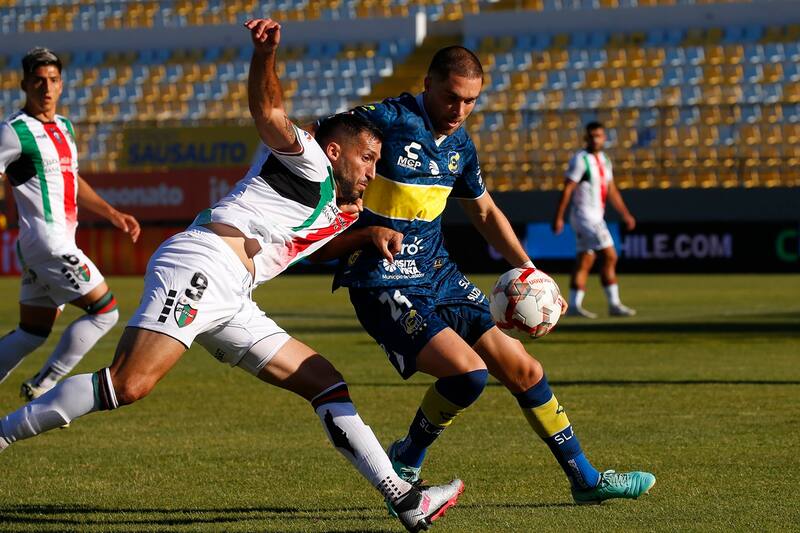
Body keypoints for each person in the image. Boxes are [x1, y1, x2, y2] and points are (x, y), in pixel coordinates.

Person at [0, 20, 463, 532]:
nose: (373, 170)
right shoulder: (309, 159)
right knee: (128, 384)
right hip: (204, 264)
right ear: (335, 151)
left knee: (325, 381)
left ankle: (405, 499)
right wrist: (264, 54)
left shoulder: (339, 208)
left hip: (234, 294)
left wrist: (366, 237)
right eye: (367, 158)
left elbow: (296, 250)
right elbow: (268, 111)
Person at [313, 47, 655, 507]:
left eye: (471, 101)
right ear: (428, 83)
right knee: (469, 375)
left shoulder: (461, 145)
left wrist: (529, 269)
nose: (460, 111)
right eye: (452, 97)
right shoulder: (388, 119)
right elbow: (322, 137)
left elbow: (486, 212)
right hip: (382, 279)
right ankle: (408, 458)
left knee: (524, 369)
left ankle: (585, 478)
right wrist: (336, 205)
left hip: (439, 274)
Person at [0, 47, 141, 401]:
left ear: (61, 85)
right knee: (105, 312)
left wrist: (111, 212)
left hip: (51, 243)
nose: (46, 88)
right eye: (38, 81)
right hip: (48, 242)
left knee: (32, 330)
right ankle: (44, 386)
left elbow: (71, 179)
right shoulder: (14, 131)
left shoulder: (64, 127)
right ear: (24, 85)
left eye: (52, 80)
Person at [552, 121, 637, 318]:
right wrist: (558, 217)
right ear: (586, 138)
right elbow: (568, 189)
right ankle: (614, 304)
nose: (595, 139)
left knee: (585, 260)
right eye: (591, 136)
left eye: (598, 135)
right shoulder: (580, 160)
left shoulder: (605, 160)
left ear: (604, 137)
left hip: (595, 216)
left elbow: (612, 190)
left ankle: (573, 305)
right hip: (585, 216)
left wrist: (625, 213)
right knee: (610, 255)